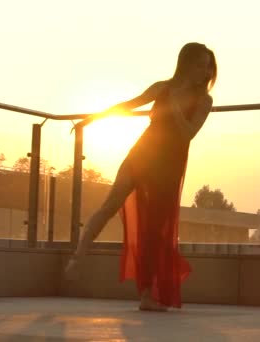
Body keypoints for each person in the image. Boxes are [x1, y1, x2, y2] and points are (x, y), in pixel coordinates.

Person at [64, 42, 217, 312]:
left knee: (154, 230)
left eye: (208, 66)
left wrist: (175, 108)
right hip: (142, 154)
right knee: (109, 205)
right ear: (187, 64)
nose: (205, 71)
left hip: (168, 165)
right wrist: (92, 119)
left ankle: (147, 295)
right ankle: (77, 257)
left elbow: (188, 134)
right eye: (201, 64)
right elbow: (129, 105)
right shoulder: (162, 87)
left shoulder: (204, 100)